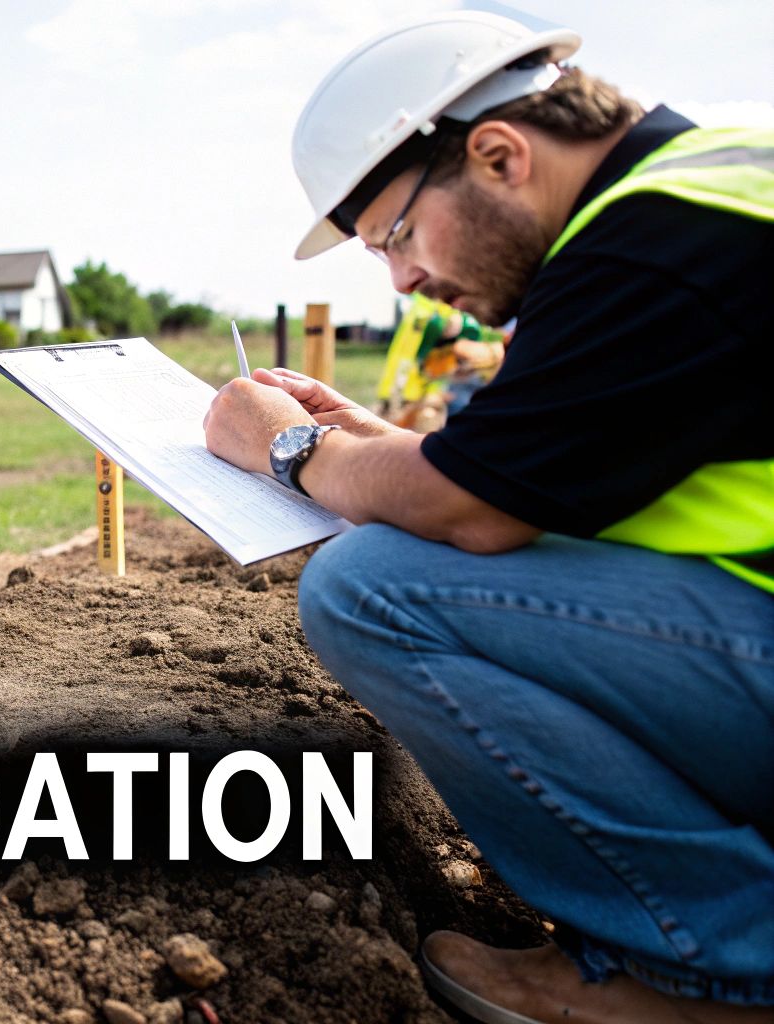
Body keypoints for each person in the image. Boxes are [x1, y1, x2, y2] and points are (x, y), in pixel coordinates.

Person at [201, 9, 773, 1023]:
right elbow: (545, 479)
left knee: (370, 590)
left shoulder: (650, 243)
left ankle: (705, 977)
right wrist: (379, 445)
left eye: (394, 237)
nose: (402, 281)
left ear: (499, 156)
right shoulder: (708, 186)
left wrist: (289, 448)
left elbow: (474, 514)